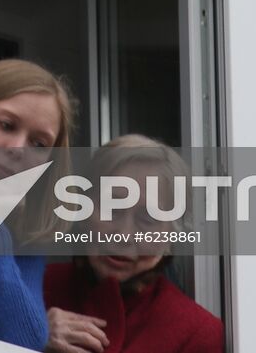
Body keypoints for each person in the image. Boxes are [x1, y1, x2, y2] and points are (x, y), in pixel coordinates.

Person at [43, 135, 223, 353]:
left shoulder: (197, 334)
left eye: (148, 219)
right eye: (112, 209)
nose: (125, 234)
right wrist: (32, 332)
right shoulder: (35, 288)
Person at [0, 59, 76, 351]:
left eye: (38, 143)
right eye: (6, 125)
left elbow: (25, 342)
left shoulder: (23, 234)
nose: (18, 149)